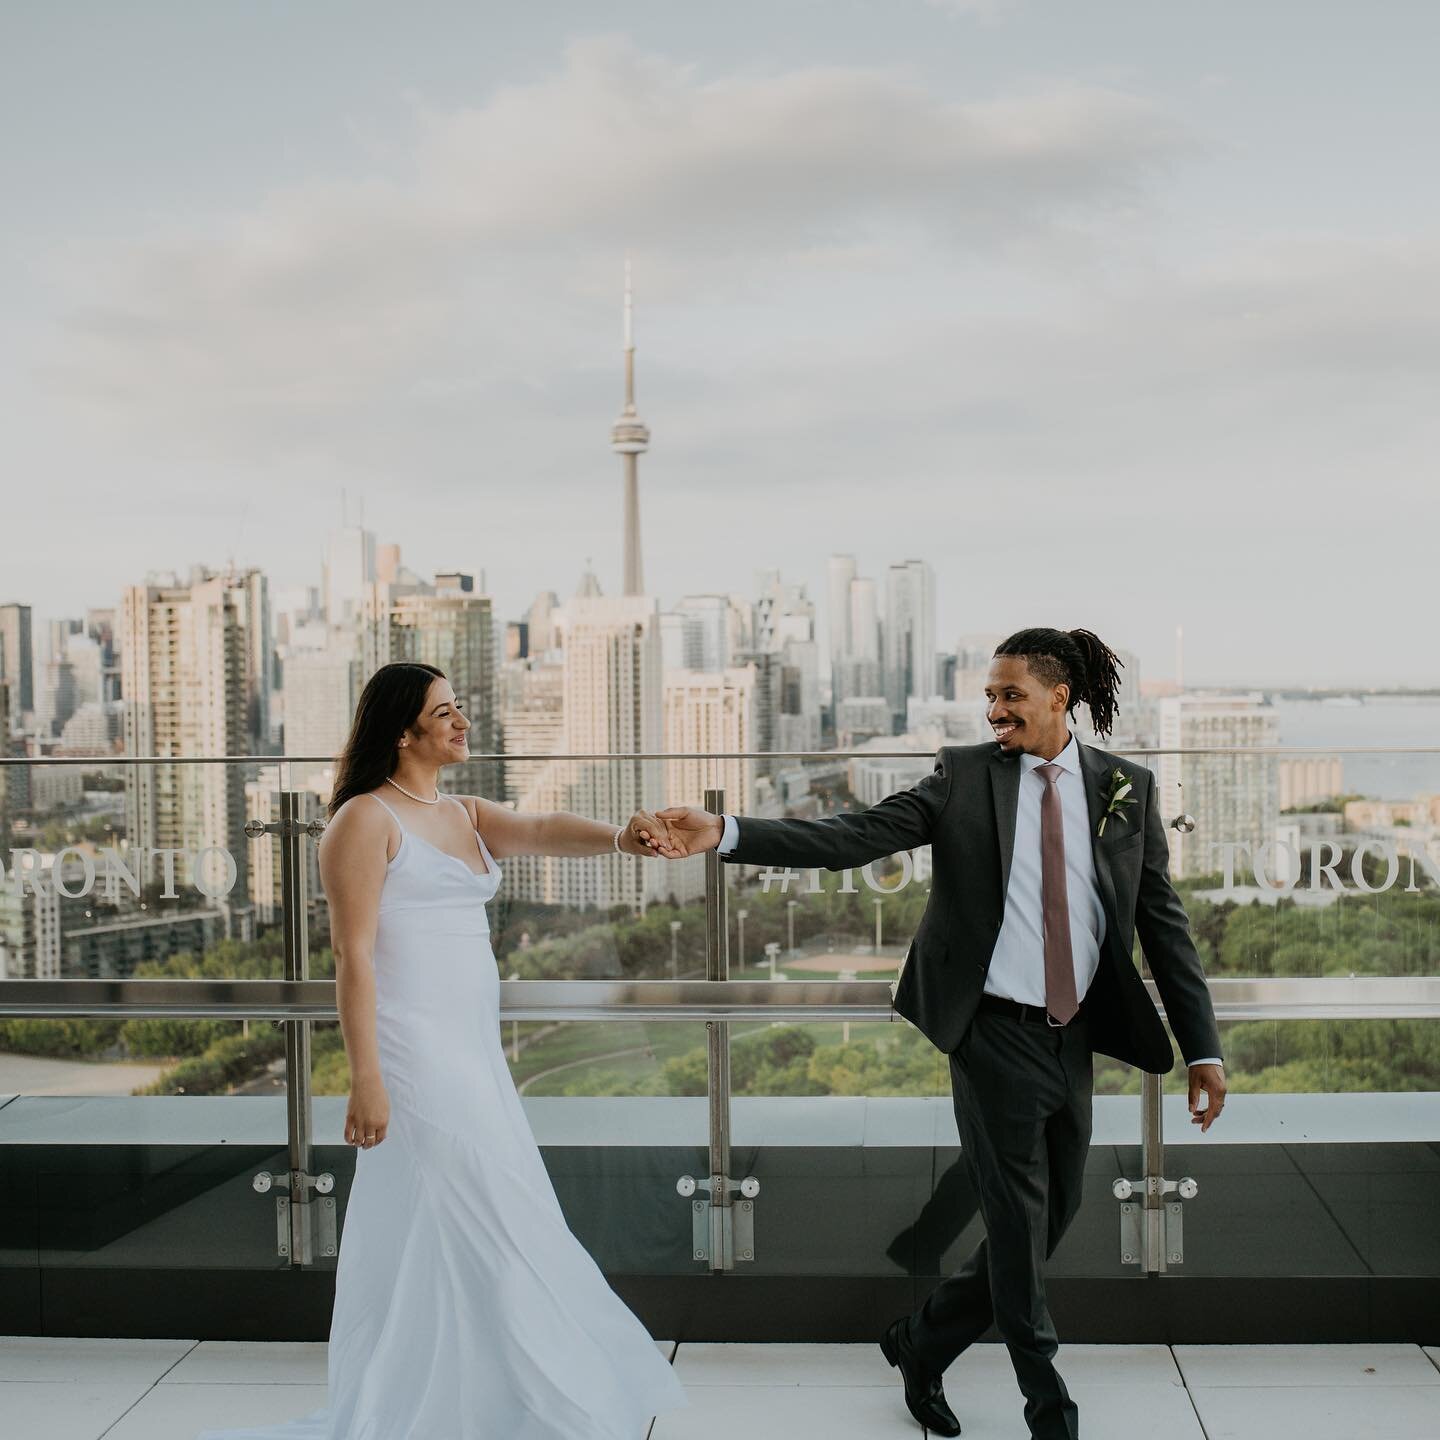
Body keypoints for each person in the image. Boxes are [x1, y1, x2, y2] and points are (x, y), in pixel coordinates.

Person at [634, 627, 1226, 1440]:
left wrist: (1203, 1049)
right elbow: (854, 836)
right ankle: (1050, 1408)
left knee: (1050, 1220)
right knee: (1018, 1229)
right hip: (991, 1035)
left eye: (1010, 694)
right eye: (988, 695)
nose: (994, 709)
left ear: (1060, 697)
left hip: (1076, 1037)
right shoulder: (965, 776)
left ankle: (922, 1342)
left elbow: (1164, 925)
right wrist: (726, 832)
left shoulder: (1127, 787)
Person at [199, 661, 685, 1440]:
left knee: (454, 1221)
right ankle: (534, 1397)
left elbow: (537, 829)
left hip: (473, 1053)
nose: (462, 722)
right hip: (414, 1057)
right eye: (445, 712)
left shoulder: (459, 811)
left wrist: (623, 837)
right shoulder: (365, 820)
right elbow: (353, 959)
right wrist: (368, 1081)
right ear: (403, 731)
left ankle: (467, 1399)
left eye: (459, 709)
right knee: (496, 1213)